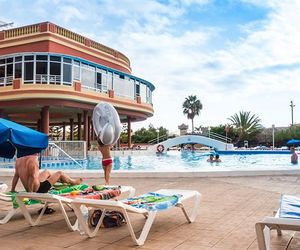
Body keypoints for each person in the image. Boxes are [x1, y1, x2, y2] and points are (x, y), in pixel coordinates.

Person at [11, 154, 82, 193]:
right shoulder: (33, 159)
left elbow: (16, 176)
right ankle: (73, 182)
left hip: (32, 186)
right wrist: (30, 193)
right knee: (59, 173)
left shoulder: (19, 160)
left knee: (46, 172)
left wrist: (13, 189)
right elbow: (32, 176)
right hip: (38, 189)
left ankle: (59, 180)